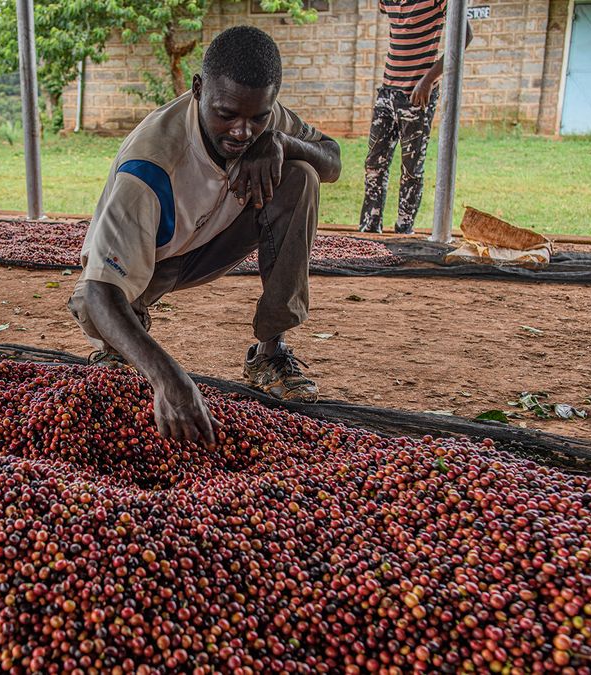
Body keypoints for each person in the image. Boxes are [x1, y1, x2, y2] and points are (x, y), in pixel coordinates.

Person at [68, 25, 341, 446]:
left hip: (216, 242)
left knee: (301, 177)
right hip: (148, 263)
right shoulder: (150, 165)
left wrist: (283, 141)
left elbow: (333, 161)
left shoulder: (267, 121)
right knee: (101, 312)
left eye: (258, 118)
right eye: (226, 114)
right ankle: (121, 344)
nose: (242, 132)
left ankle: (270, 356)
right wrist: (168, 378)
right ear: (198, 89)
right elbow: (100, 291)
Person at [359, 1, 472, 234]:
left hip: (416, 95)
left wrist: (428, 80)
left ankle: (403, 231)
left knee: (411, 169)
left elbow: (465, 35)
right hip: (387, 91)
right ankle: (369, 229)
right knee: (373, 165)